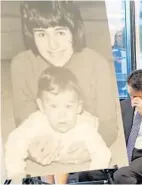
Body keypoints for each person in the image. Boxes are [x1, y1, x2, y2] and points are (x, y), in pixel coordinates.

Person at [11, 1, 118, 183]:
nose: (52, 45)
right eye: (42, 34)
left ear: (74, 31)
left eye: (60, 32)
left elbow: (109, 125)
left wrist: (88, 149)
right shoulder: (21, 64)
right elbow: (23, 121)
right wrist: (31, 147)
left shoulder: (97, 64)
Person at [4, 67, 111, 179]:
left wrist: (92, 174)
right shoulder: (37, 121)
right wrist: (16, 172)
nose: (62, 115)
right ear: (41, 106)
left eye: (68, 106)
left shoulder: (85, 127)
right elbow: (14, 141)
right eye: (54, 106)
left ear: (79, 107)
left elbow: (102, 153)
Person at [79, 69, 142, 184]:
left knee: (121, 175)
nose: (132, 100)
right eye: (130, 95)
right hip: (125, 155)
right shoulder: (124, 105)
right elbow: (112, 133)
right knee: (86, 172)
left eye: (137, 96)